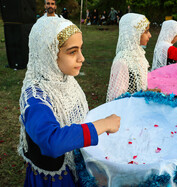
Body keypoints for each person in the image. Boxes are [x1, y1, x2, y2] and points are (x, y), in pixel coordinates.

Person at [18, 16, 121, 186]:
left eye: (80, 49)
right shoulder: (35, 98)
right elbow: (51, 141)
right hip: (55, 178)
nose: (82, 58)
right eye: (72, 52)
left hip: (73, 162)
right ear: (48, 54)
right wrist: (102, 124)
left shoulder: (64, 79)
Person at [106, 13, 151, 102]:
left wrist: (148, 92)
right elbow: (116, 99)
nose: (150, 35)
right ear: (134, 34)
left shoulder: (139, 56)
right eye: (146, 31)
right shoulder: (122, 62)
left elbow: (140, 88)